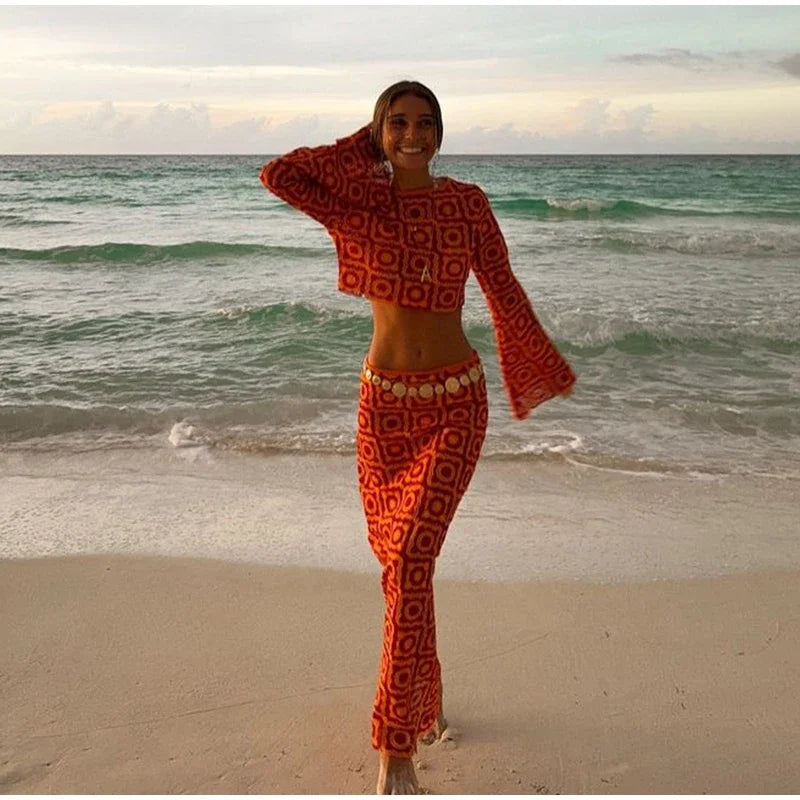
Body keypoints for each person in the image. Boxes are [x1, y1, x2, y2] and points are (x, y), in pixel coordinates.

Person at [259, 80, 576, 794]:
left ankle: (394, 746)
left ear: (441, 131)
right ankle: (424, 695)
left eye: (425, 122)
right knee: (404, 570)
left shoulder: (467, 203)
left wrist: (535, 362)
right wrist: (364, 149)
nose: (413, 134)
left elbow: (502, 285)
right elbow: (280, 175)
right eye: (397, 123)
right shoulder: (358, 203)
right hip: (383, 411)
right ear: (378, 131)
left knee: (406, 560)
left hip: (456, 405)